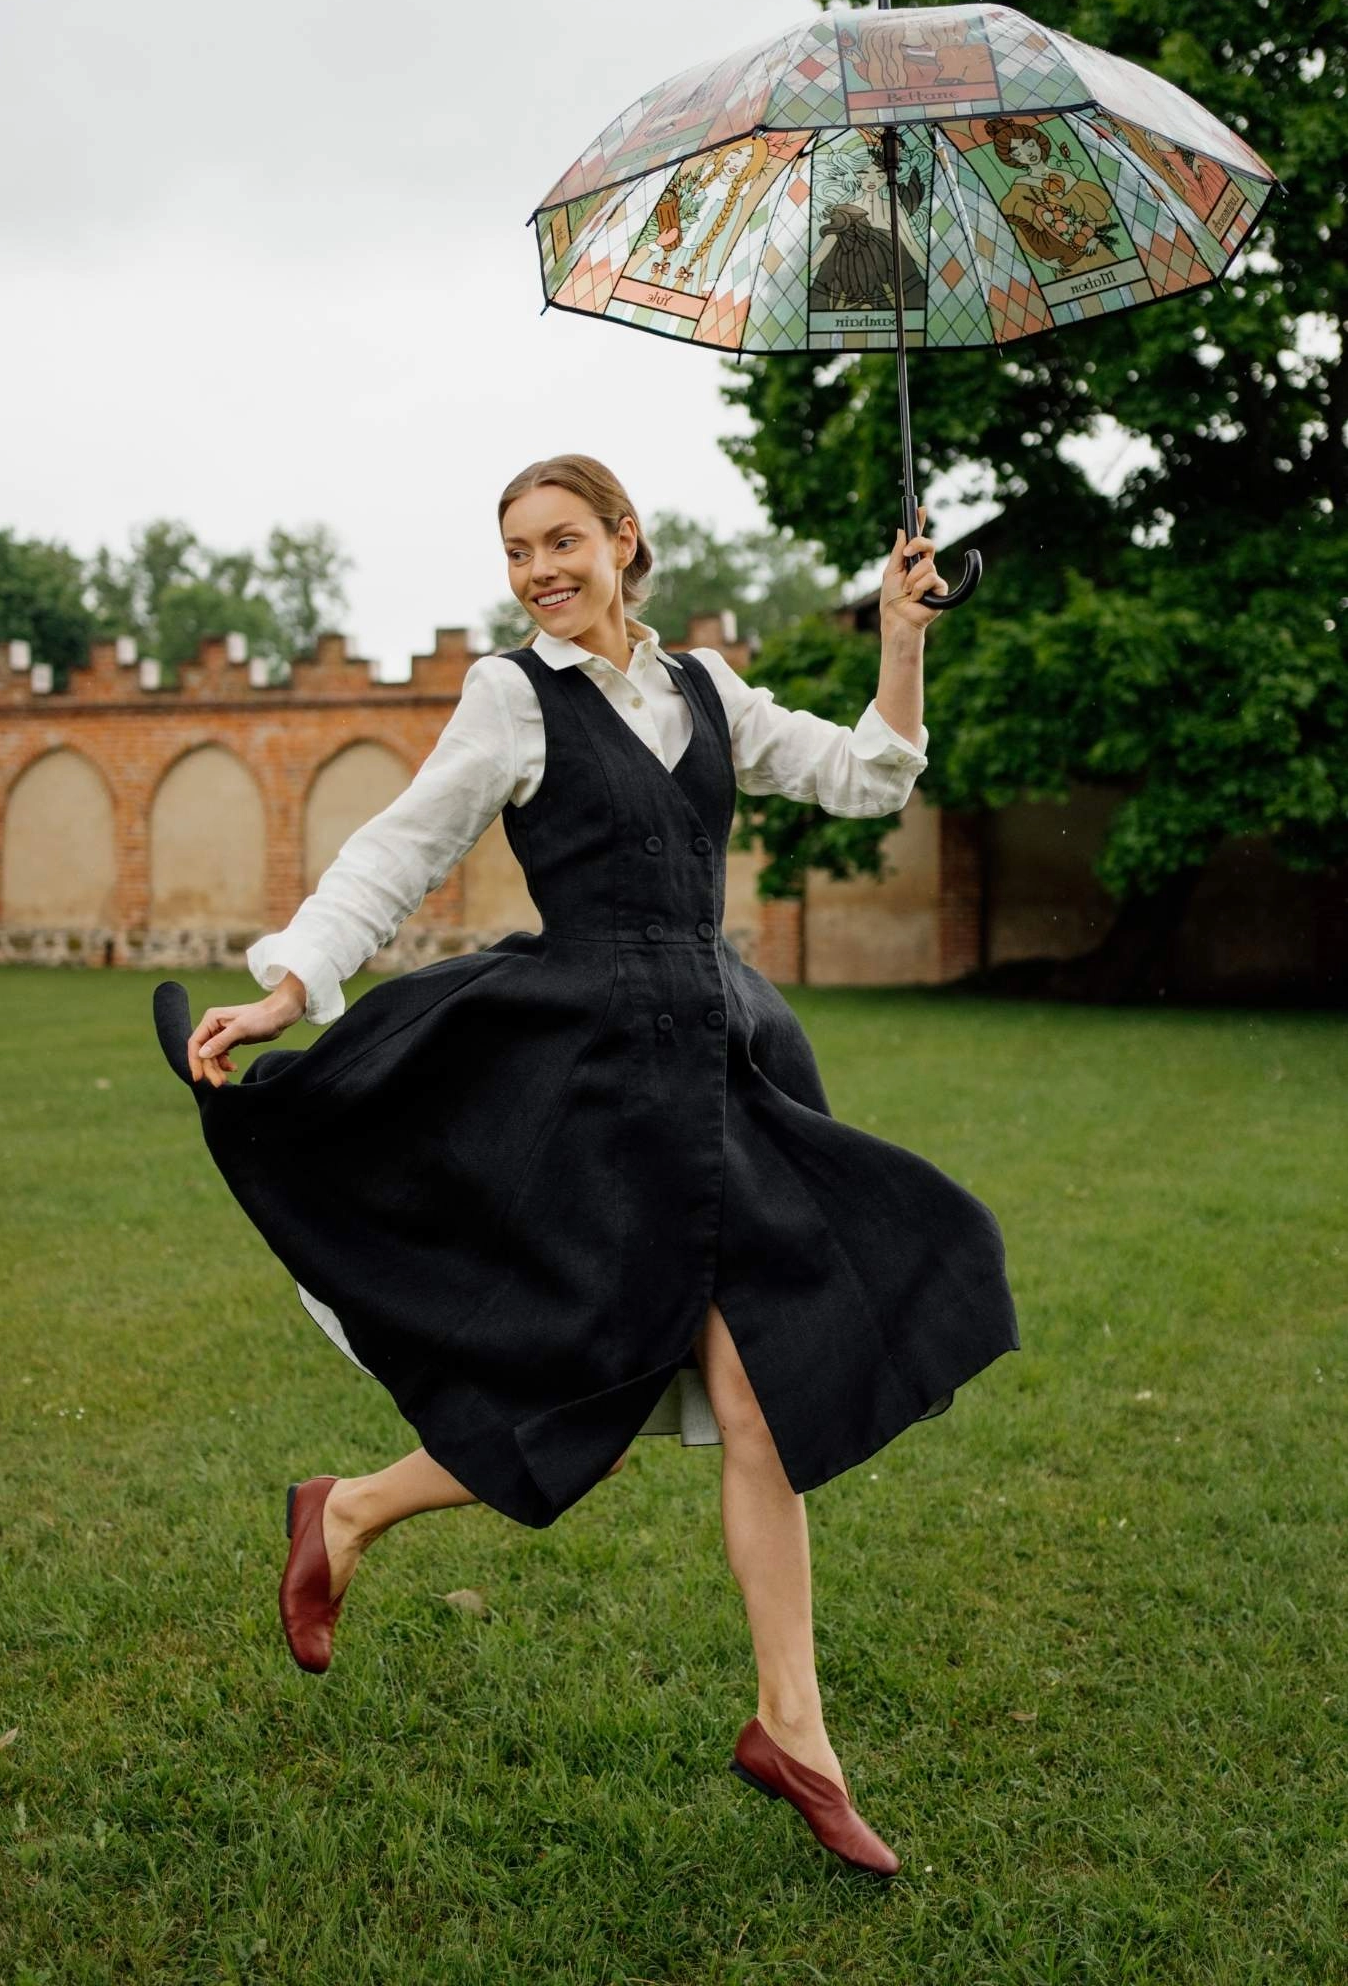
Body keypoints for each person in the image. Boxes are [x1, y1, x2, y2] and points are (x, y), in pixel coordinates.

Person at [151, 453, 1019, 1879]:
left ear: (628, 543)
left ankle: (792, 1728)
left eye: (565, 541)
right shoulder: (512, 695)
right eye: (517, 549)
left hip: (724, 1065)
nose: (541, 568)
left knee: (759, 1391)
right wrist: (295, 982)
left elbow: (868, 778)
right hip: (594, 1083)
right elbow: (399, 848)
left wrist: (900, 642)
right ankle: (352, 1506)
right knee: (599, 1380)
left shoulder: (708, 691)